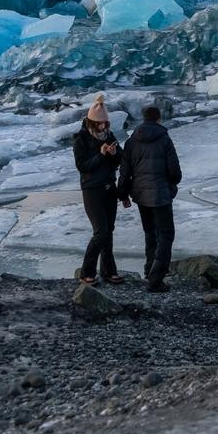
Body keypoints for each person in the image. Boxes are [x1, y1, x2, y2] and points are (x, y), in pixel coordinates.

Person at [119, 105, 182, 293]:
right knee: (166, 234)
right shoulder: (164, 139)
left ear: (143, 118)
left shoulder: (131, 141)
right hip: (160, 193)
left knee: (149, 231)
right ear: (159, 119)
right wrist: (171, 184)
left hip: (140, 194)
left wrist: (122, 194)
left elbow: (125, 171)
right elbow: (175, 171)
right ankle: (156, 278)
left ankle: (149, 269)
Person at [73, 94, 129, 285]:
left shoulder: (110, 136)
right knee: (101, 232)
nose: (104, 127)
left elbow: (120, 160)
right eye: (100, 124)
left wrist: (114, 153)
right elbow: (82, 166)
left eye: (106, 123)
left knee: (109, 231)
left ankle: (108, 271)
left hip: (109, 188)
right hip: (92, 189)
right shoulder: (81, 139)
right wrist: (100, 154)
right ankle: (86, 272)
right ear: (92, 122)